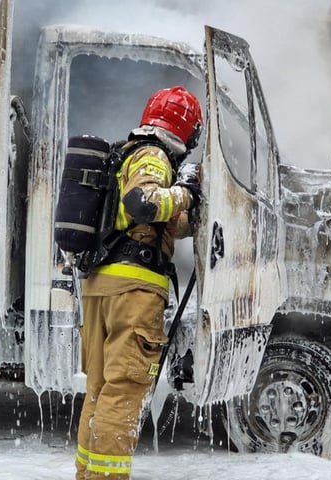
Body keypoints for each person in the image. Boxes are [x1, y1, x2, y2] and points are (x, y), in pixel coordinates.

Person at [74, 86, 203, 480]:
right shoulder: (154, 155)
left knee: (99, 392)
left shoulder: (126, 152)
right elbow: (141, 203)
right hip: (132, 292)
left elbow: (146, 222)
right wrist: (186, 193)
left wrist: (188, 216)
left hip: (102, 286)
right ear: (188, 129)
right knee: (124, 394)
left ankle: (88, 475)